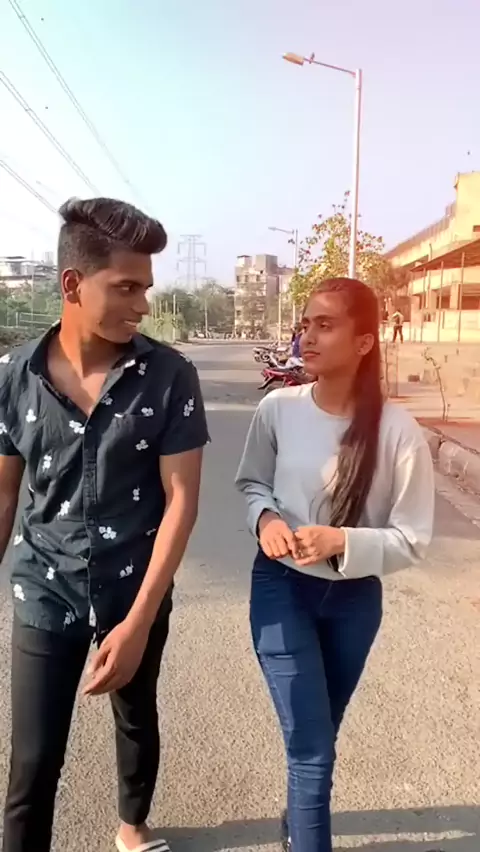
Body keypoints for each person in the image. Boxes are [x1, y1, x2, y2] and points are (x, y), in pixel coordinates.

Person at [0, 197, 210, 852]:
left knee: (136, 718)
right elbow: (4, 496)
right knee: (32, 762)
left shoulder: (169, 376)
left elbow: (181, 501)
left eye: (146, 287)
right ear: (73, 284)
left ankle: (132, 825)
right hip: (44, 587)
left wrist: (140, 622)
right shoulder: (13, 377)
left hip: (134, 586)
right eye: (126, 287)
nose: (143, 303)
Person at [235, 277, 434, 852]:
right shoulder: (278, 409)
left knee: (319, 733)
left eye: (325, 325)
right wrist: (266, 522)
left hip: (353, 601)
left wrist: (342, 541)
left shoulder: (398, 431)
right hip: (281, 591)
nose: (308, 337)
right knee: (312, 752)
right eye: (306, 324)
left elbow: (413, 538)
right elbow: (251, 483)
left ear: (365, 341)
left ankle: (296, 822)